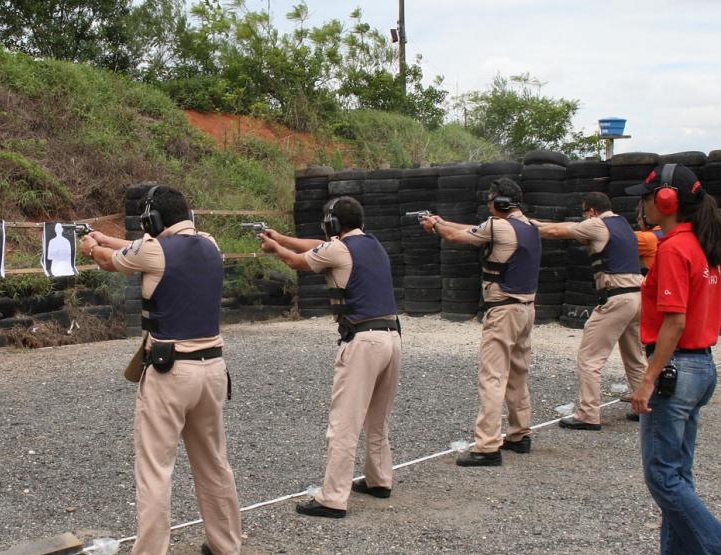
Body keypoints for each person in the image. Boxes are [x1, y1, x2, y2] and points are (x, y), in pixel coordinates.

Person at [81, 185, 241, 555]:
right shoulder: (211, 243)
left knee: (155, 470)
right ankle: (226, 545)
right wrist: (108, 237)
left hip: (171, 373)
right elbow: (140, 250)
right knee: (214, 464)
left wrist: (92, 247)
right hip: (213, 369)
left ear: (151, 221)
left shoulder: (153, 250)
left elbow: (113, 260)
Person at [259, 196, 401, 518]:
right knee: (378, 419)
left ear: (334, 224)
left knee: (344, 424)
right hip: (393, 337)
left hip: (363, 341)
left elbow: (299, 261)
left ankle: (333, 497)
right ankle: (380, 479)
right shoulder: (372, 243)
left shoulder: (339, 249)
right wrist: (281, 237)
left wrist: (276, 250)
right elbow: (318, 245)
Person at [626, 165, 721, 553]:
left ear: (666, 200)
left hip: (675, 369)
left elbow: (675, 321)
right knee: (679, 475)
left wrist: (648, 378)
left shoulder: (674, 249)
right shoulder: (703, 246)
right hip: (700, 367)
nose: (643, 204)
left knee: (663, 479)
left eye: (648, 197)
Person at [422, 178, 540, 467]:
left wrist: (435, 227)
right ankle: (519, 433)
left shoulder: (497, 226)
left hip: (503, 311)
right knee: (517, 373)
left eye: (491, 201)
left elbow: (457, 237)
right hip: (526, 309)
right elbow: (473, 230)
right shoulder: (529, 226)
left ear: (501, 203)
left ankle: (487, 446)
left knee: (493, 376)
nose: (488, 206)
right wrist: (443, 221)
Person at [534, 192, 646, 429]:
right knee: (635, 356)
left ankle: (588, 414)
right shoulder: (623, 224)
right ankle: (644, 406)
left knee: (589, 358)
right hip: (637, 296)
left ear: (592, 211)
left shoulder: (597, 224)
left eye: (584, 213)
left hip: (617, 297)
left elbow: (556, 231)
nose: (583, 218)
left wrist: (527, 225)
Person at [635, 201, 663, 276]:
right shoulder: (664, 231)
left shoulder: (646, 237)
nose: (638, 223)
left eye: (639, 219)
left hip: (650, 279)